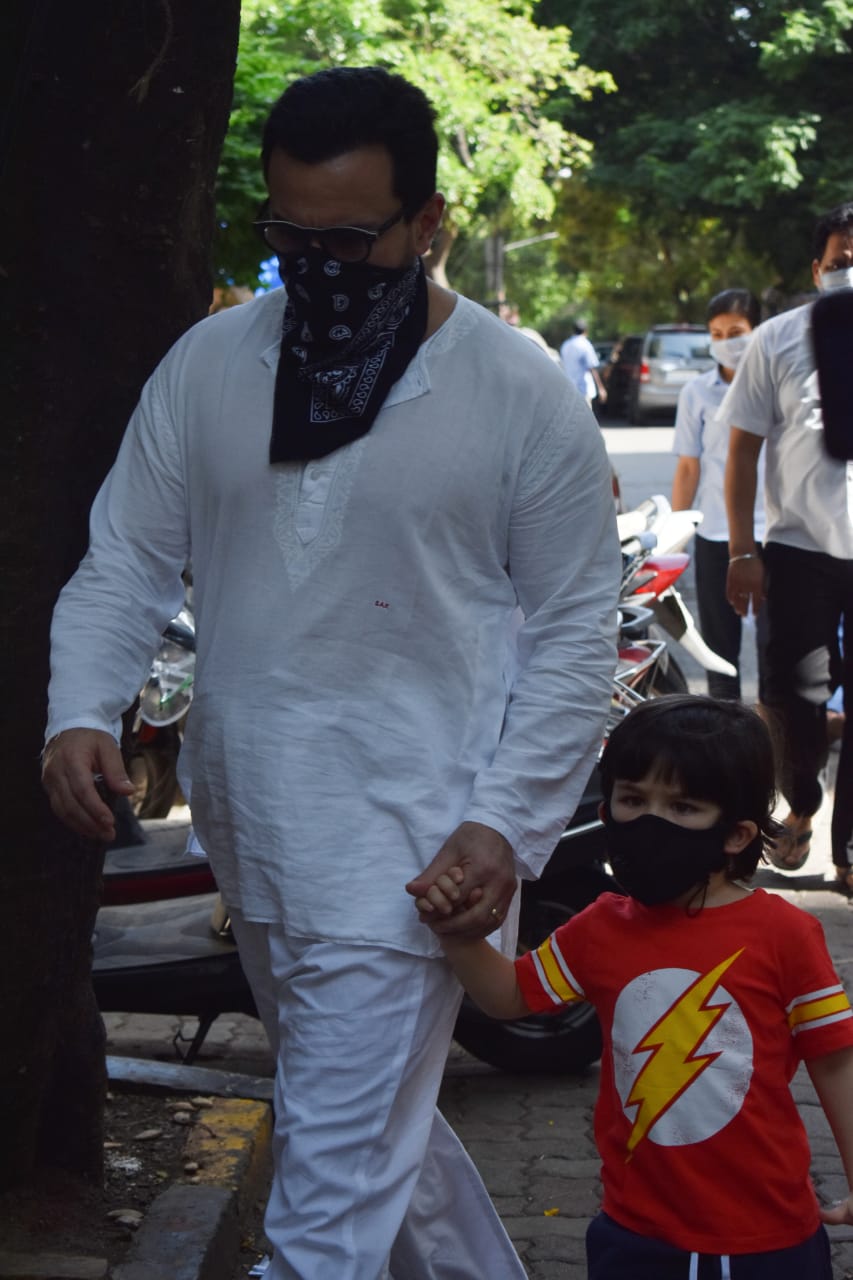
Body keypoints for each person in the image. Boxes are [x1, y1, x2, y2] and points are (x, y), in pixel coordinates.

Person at [41, 65, 621, 1279]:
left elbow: (573, 633)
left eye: (348, 240)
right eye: (286, 237)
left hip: (419, 857)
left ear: (428, 225)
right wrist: (81, 708)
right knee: (374, 1155)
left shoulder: (518, 395)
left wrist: (504, 827)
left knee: (324, 1217)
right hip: (253, 832)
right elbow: (125, 560)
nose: (314, 266)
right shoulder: (208, 364)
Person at [410, 694, 853, 1279]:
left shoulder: (786, 935)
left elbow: (835, 1061)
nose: (650, 822)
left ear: (737, 834)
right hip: (636, 1238)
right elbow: (509, 998)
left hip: (770, 1243)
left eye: (683, 806)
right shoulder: (601, 927)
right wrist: (459, 934)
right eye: (632, 799)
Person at [724, 201, 853, 883]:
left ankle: (847, 854)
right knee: (796, 705)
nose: (850, 274)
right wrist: (741, 550)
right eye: (840, 263)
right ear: (816, 268)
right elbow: (741, 452)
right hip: (798, 554)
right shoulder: (775, 340)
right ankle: (802, 801)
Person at [671, 288, 768, 701]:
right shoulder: (696, 393)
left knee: (779, 654)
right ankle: (727, 754)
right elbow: (689, 467)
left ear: (758, 331)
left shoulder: (777, 384)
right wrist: (675, 533)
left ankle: (780, 751)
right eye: (717, 333)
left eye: (736, 331)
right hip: (716, 537)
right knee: (718, 654)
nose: (727, 342)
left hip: (774, 537)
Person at [560, 318, 608, 406]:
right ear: (586, 331)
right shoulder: (585, 345)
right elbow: (592, 368)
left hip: (569, 389)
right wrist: (601, 388)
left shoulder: (565, 345)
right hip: (583, 389)